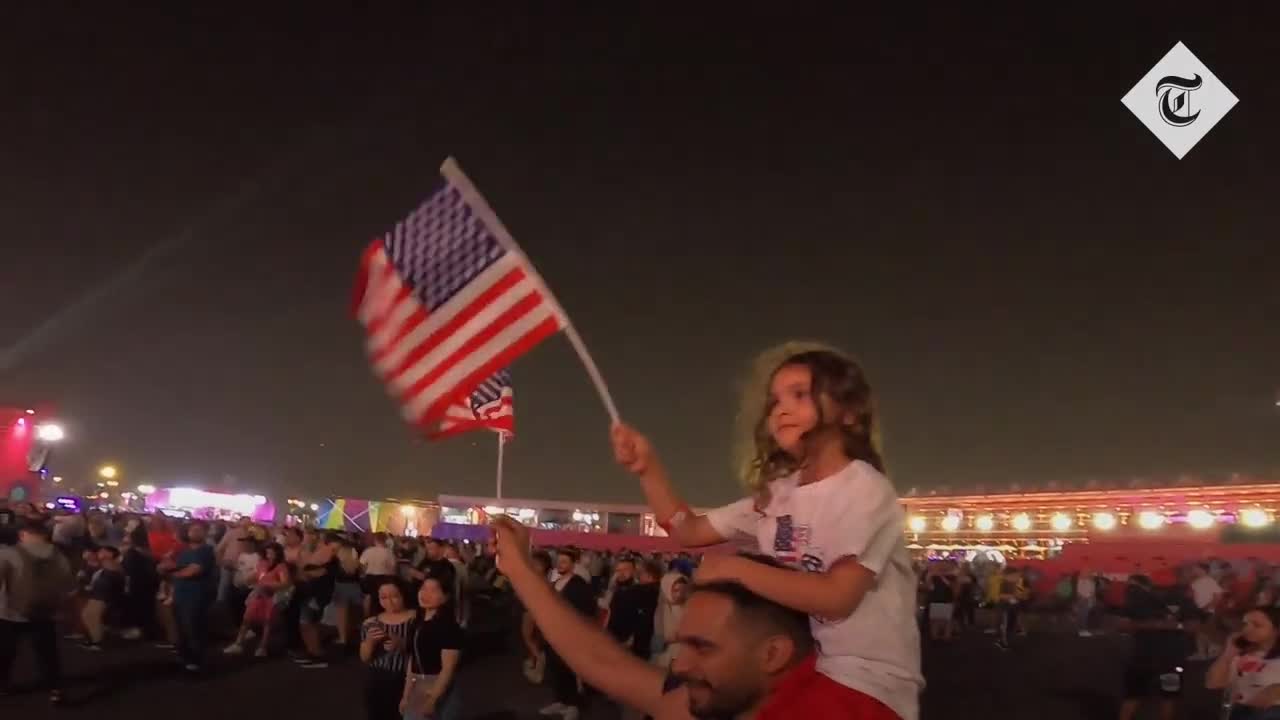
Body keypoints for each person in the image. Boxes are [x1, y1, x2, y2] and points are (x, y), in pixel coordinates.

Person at [613, 343, 924, 719]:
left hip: (865, 684)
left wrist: (733, 568)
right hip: (804, 668)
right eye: (775, 400)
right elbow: (689, 530)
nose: (782, 410)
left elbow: (838, 597)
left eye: (800, 395)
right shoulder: (778, 496)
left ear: (849, 412)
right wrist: (648, 469)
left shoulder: (863, 488)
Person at [492, 515, 867, 720]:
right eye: (684, 642)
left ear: (773, 654)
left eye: (703, 647)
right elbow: (600, 661)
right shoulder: (718, 700)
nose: (680, 664)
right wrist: (521, 570)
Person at [0, 519, 74, 704]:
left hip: (11, 611)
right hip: (45, 611)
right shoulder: (58, 555)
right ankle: (55, 688)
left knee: (6, 651)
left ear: (24, 534)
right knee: (47, 652)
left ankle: (3, 685)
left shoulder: (9, 553)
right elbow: (68, 584)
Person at [1118, 574, 1189, 720]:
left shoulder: (1134, 601)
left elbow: (1124, 626)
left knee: (1136, 695)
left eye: (1132, 585)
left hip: (1148, 657)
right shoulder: (1179, 602)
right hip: (1167, 658)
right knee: (1167, 696)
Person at [542, 547, 597, 718]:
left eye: (565, 562)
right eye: (559, 561)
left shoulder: (579, 585)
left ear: (573, 565)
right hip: (552, 633)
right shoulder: (555, 582)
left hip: (570, 635)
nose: (560, 564)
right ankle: (560, 701)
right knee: (555, 668)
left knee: (568, 669)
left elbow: (587, 611)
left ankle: (573, 705)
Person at [401, 576, 464, 720]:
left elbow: (448, 669)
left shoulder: (449, 627)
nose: (425, 594)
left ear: (445, 597)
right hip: (418, 683)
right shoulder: (417, 622)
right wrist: (406, 694)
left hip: (438, 685)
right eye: (423, 588)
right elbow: (413, 660)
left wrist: (433, 699)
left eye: (433, 590)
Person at [161, 520, 217, 673]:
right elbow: (163, 567)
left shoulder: (206, 550)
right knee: (181, 629)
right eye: (193, 530)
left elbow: (193, 571)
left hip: (196, 596)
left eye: (199, 530)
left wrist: (174, 572)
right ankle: (185, 658)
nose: (195, 532)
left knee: (193, 628)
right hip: (180, 595)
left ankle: (196, 660)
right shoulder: (184, 551)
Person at [1207, 606, 1280, 720]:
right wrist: (1228, 653)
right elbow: (1214, 683)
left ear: (1276, 630)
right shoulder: (1241, 655)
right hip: (1242, 712)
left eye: (1257, 625)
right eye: (1246, 624)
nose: (1247, 629)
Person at [361, 581, 417, 720]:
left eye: (395, 596)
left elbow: (423, 652)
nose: (389, 602)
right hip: (378, 677)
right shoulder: (371, 622)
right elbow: (365, 658)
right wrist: (369, 642)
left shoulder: (417, 619)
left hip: (408, 677)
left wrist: (402, 643)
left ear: (404, 595)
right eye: (383, 597)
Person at [225, 542, 292, 657]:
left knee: (267, 622)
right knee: (247, 619)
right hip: (258, 595)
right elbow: (257, 575)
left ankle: (262, 646)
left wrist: (269, 585)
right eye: (267, 552)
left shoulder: (281, 566)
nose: (269, 555)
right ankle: (238, 643)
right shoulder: (262, 563)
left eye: (272, 552)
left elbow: (285, 583)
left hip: (271, 597)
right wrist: (248, 579)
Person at [81, 545, 126, 650]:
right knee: (87, 615)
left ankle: (97, 642)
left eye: (103, 551)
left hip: (105, 596)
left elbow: (117, 580)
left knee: (93, 616)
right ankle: (93, 639)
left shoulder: (114, 567)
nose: (100, 552)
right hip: (98, 594)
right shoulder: (103, 568)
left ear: (110, 554)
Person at [652, 571, 690, 668]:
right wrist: (670, 638)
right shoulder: (661, 610)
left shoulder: (691, 608)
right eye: (676, 590)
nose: (680, 594)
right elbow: (657, 643)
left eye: (684, 590)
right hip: (666, 659)